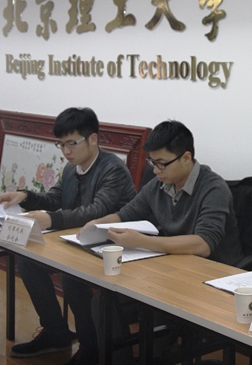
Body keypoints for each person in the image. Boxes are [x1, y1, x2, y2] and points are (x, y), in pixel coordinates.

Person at [83, 120, 242, 363]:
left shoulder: (213, 188)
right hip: (169, 271)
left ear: (186, 157)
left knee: (156, 306)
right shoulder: (159, 184)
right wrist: (96, 225)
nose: (156, 170)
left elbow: (203, 244)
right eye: (152, 162)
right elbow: (126, 214)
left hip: (209, 278)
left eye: (162, 163)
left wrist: (142, 241)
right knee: (103, 302)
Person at [0, 107, 137, 365]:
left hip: (114, 246)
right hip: (79, 241)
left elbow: (98, 210)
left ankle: (91, 347)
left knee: (71, 274)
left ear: (92, 139)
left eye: (71, 143)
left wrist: (53, 219)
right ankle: (56, 332)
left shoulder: (113, 169)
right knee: (28, 261)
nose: (66, 151)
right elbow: (54, 198)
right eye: (61, 145)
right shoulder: (72, 169)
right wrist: (25, 196)